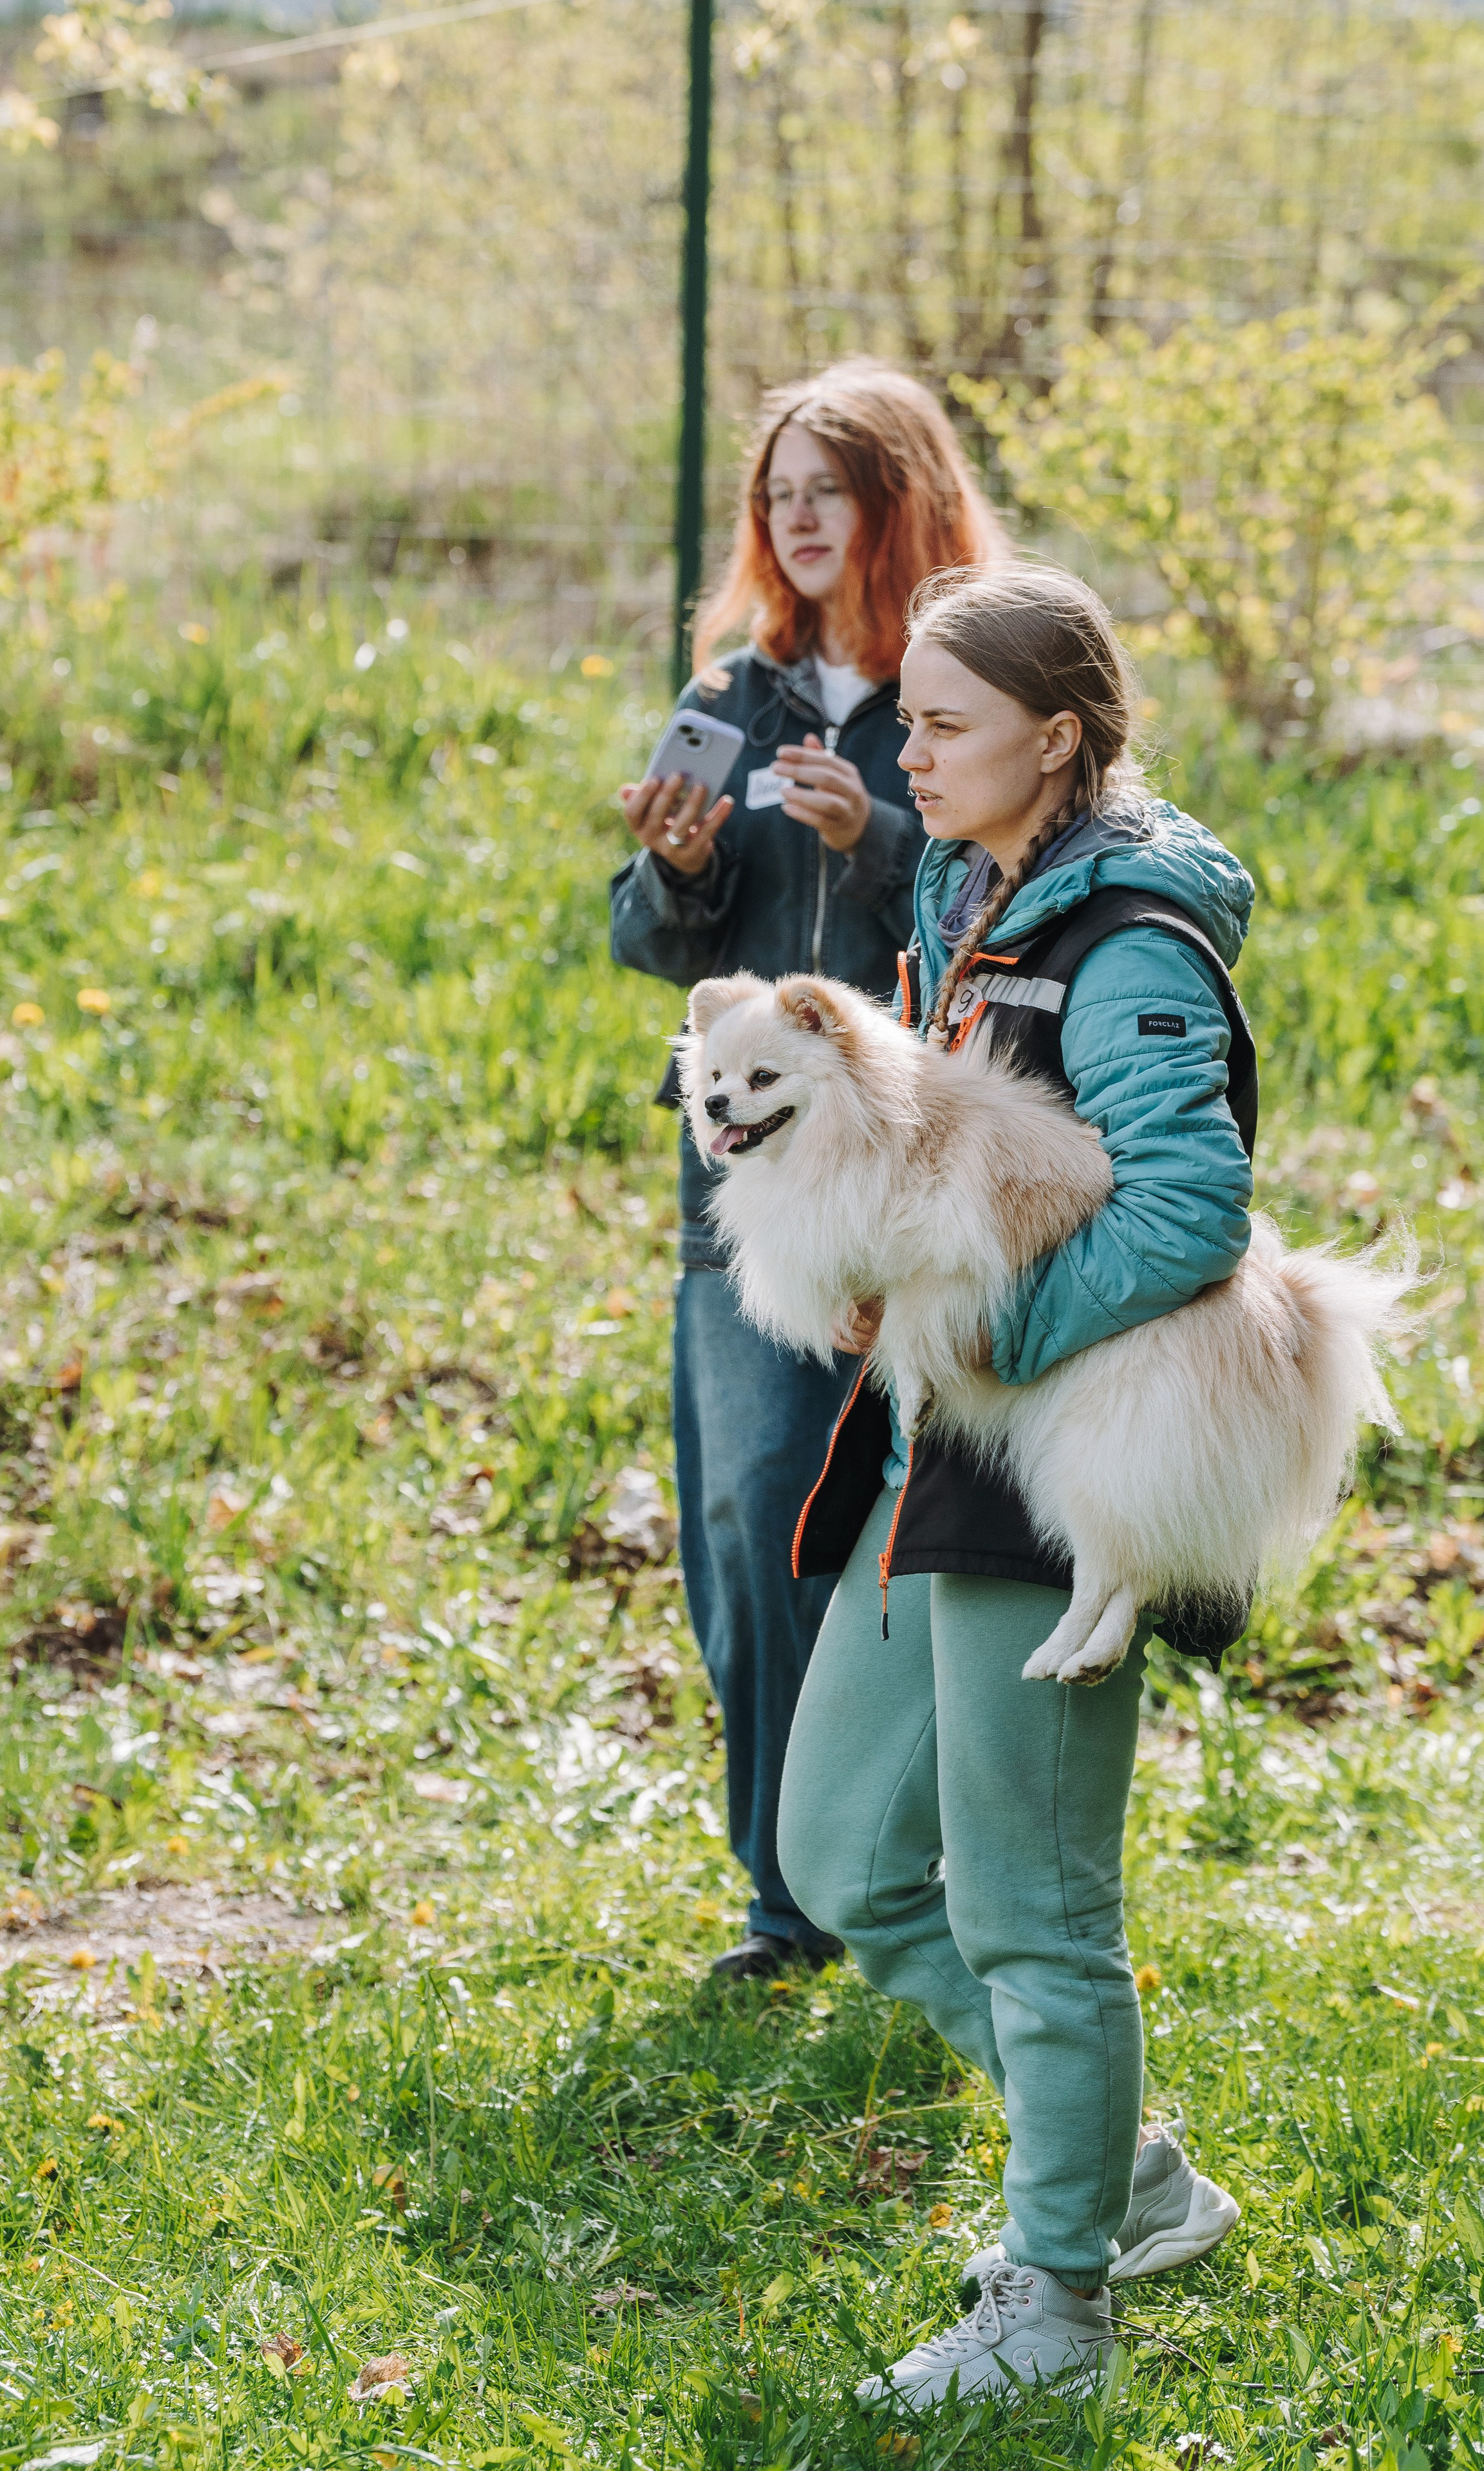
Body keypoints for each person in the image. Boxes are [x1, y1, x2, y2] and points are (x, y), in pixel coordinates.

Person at [776, 561, 1247, 2401]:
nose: (913, 748)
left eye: (946, 722)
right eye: (907, 712)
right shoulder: (968, 891)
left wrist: (987, 1339)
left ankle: (1055, 2310)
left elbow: (1191, 1205)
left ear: (1058, 738)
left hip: (1050, 1476)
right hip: (926, 1459)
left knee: (1034, 1913)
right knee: (845, 1858)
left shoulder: (1127, 938)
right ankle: (1126, 2173)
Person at [610, 361, 1005, 1982]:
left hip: (930, 1174)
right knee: (749, 1508)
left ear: (895, 499)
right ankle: (790, 1897)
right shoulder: (738, 690)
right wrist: (678, 864)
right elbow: (645, 943)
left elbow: (1013, 893)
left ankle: (916, 1862)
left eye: (822, 487)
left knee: (931, 1523)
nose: (790, 515)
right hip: (755, 1184)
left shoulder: (970, 683)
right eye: (774, 491)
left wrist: (875, 845)